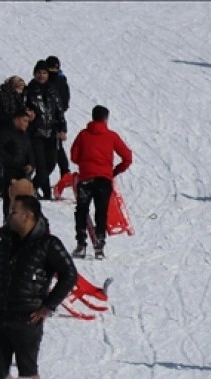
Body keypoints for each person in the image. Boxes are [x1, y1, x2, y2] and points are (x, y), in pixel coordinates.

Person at [0, 195, 77, 379]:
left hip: (27, 318)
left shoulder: (48, 244)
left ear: (28, 216)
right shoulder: (6, 240)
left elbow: (69, 274)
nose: (9, 215)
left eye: (13, 211)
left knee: (27, 373)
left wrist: (48, 306)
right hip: (1, 316)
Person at [69, 105, 133, 259]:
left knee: (82, 210)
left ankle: (81, 244)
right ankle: (99, 246)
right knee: (101, 211)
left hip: (86, 179)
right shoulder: (111, 136)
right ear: (106, 119)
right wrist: (113, 172)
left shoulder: (83, 135)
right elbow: (127, 157)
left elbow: (74, 156)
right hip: (104, 180)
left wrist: (85, 165)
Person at [25, 61, 66, 201]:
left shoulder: (53, 90)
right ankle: (44, 193)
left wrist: (62, 128)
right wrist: (27, 115)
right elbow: (22, 108)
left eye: (44, 73)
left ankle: (32, 186)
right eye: (38, 73)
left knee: (51, 163)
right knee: (41, 165)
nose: (41, 76)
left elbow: (59, 111)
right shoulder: (29, 90)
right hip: (35, 132)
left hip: (51, 132)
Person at [0, 75, 29, 200]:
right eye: (18, 87)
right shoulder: (2, 98)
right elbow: (1, 116)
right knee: (2, 161)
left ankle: (7, 188)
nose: (20, 90)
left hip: (15, 133)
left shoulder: (19, 98)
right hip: (3, 132)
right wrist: (16, 119)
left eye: (22, 87)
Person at [0, 109, 36, 224]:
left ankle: (24, 220)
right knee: (9, 198)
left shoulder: (25, 135)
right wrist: (12, 161)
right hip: (10, 170)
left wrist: (31, 164)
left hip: (23, 172)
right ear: (16, 120)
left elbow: (30, 151)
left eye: (28, 122)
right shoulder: (6, 132)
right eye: (24, 121)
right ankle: (7, 220)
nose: (26, 124)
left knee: (25, 198)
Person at [45, 57, 72, 177]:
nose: (52, 71)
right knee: (55, 147)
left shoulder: (61, 82)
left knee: (57, 146)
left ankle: (65, 172)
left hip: (55, 120)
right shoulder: (42, 80)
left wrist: (56, 112)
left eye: (55, 68)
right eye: (50, 68)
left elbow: (65, 103)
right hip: (42, 120)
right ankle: (65, 172)